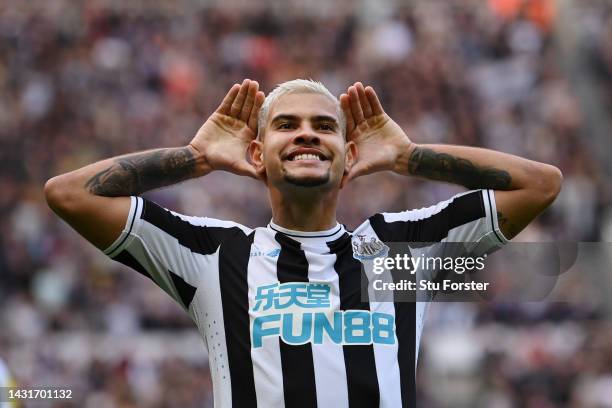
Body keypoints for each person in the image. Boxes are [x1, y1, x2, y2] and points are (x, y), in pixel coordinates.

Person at [44, 79, 562, 407]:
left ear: (350, 154)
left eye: (325, 127)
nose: (307, 135)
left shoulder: (397, 251)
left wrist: (410, 157)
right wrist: (195, 157)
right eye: (286, 126)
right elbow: (68, 195)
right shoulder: (218, 256)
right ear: (256, 155)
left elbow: (540, 184)